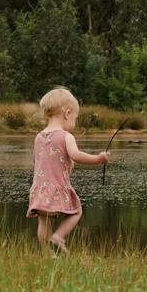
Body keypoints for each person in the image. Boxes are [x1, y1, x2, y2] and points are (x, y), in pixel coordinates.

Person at [27, 87, 109, 252]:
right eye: (75, 118)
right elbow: (76, 155)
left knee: (44, 222)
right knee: (76, 211)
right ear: (67, 113)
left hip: (39, 187)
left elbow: (37, 161)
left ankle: (47, 253)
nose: (75, 122)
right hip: (58, 186)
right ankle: (58, 237)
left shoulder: (39, 136)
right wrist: (98, 159)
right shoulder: (66, 136)